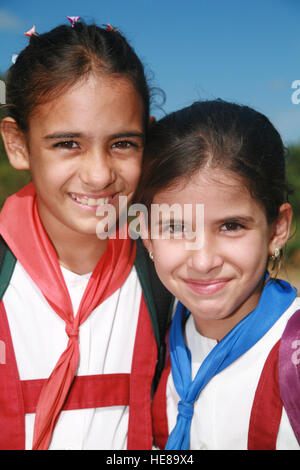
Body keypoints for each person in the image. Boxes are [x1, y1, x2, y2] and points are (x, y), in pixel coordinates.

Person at [0, 17, 172, 450]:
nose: (99, 176)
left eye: (123, 143)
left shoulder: (171, 275)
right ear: (18, 144)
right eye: (68, 144)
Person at [136, 100, 300, 450]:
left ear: (277, 229)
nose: (204, 260)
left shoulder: (293, 356)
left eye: (231, 226)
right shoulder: (153, 344)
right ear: (147, 235)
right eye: (177, 228)